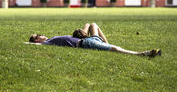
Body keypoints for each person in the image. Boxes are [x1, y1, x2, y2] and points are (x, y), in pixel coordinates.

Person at [29, 23, 161, 58]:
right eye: (38, 36)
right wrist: (28, 43)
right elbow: (31, 45)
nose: (41, 35)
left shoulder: (51, 39)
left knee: (93, 24)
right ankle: (142, 54)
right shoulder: (46, 43)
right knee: (115, 49)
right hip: (85, 43)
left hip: (90, 39)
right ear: (36, 41)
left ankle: (105, 44)